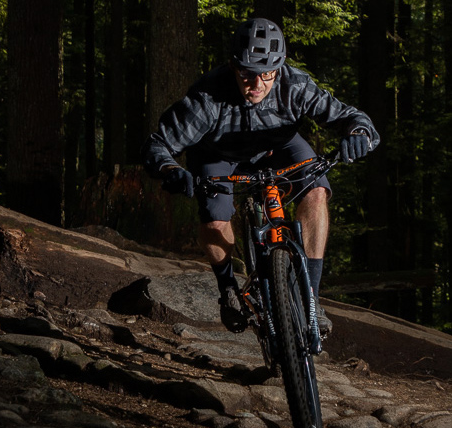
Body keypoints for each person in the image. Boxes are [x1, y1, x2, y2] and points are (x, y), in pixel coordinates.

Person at [141, 17, 379, 335]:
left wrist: (359, 133)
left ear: (278, 68)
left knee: (317, 190)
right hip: (219, 155)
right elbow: (158, 145)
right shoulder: (207, 98)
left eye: (266, 75)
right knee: (214, 216)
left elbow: (350, 116)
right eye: (246, 75)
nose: (257, 86)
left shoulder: (295, 85)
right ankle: (227, 289)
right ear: (232, 67)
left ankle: (310, 298)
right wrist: (170, 170)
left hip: (278, 148)